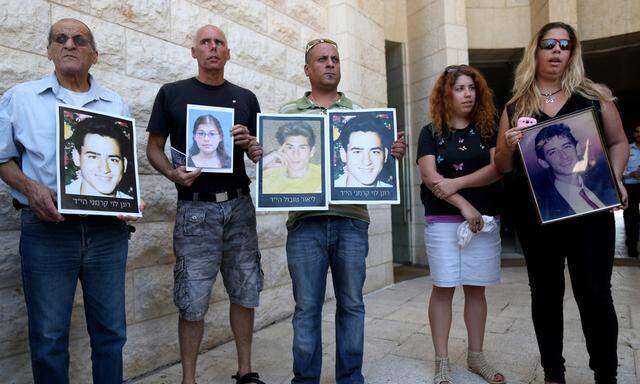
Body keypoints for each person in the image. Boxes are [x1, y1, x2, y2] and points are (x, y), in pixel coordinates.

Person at [0, 18, 136, 383]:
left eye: (80, 40)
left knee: (111, 334)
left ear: (95, 55)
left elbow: (123, 168)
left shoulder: (115, 102)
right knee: (48, 337)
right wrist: (30, 188)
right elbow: (2, 159)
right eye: (60, 39)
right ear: (48, 50)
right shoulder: (21, 98)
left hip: (107, 233)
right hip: (47, 231)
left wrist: (127, 200)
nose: (70, 44)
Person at [495, 21, 628, 384]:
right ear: (535, 50)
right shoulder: (516, 104)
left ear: (572, 52)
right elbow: (502, 165)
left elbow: (618, 143)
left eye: (564, 45)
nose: (557, 50)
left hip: (591, 214)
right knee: (546, 296)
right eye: (549, 44)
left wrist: (614, 177)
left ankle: (606, 374)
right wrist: (507, 143)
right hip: (537, 217)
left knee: (597, 295)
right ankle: (554, 374)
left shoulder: (594, 96)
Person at [278, 38, 406, 384]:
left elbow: (377, 166)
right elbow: (277, 168)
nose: (330, 64)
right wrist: (261, 152)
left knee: (351, 304)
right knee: (306, 309)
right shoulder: (287, 114)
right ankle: (304, 379)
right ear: (308, 69)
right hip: (305, 224)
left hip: (351, 222)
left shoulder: (360, 113)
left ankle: (350, 378)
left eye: (335, 58)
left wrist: (392, 154)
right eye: (322, 59)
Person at [145, 25, 265, 384]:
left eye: (220, 43)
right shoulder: (172, 93)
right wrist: (172, 174)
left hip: (239, 207)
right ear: (193, 51)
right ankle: (189, 379)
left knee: (245, 290)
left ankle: (245, 371)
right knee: (192, 297)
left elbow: (260, 153)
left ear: (228, 53)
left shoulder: (246, 98)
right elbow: (153, 147)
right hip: (195, 208)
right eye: (205, 43)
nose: (213, 48)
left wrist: (252, 146)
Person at [417, 64, 504, 384]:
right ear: (446, 94)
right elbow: (429, 177)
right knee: (442, 288)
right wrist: (464, 203)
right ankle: (442, 361)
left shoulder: (487, 129)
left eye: (472, 88)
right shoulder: (431, 133)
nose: (468, 94)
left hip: (485, 222)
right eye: (460, 88)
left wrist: (457, 184)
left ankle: (475, 356)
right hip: (443, 220)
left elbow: (497, 168)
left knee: (476, 289)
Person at [532, 123, 618, 221]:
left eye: (566, 146)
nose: (564, 156)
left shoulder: (604, 186)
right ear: (543, 163)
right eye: (553, 152)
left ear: (577, 149)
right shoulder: (545, 206)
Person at [66, 116, 133, 199]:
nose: (105, 169)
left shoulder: (132, 206)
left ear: (124, 165)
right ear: (76, 157)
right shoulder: (58, 201)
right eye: (93, 157)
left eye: (113, 160)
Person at [262, 121, 321, 194]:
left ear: (312, 151)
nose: (296, 154)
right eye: (290, 147)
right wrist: (263, 162)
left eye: (302, 148)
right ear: (281, 150)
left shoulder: (323, 174)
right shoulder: (268, 176)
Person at [334, 115, 393, 188]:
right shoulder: (325, 191)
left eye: (374, 152)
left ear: (385, 155)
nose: (367, 161)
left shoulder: (392, 193)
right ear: (343, 155)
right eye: (357, 152)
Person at [623, 124, 640, 257]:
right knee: (631, 218)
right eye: (637, 132)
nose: (639, 134)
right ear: (634, 134)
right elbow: (620, 168)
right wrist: (630, 174)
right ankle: (632, 248)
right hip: (631, 186)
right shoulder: (627, 149)